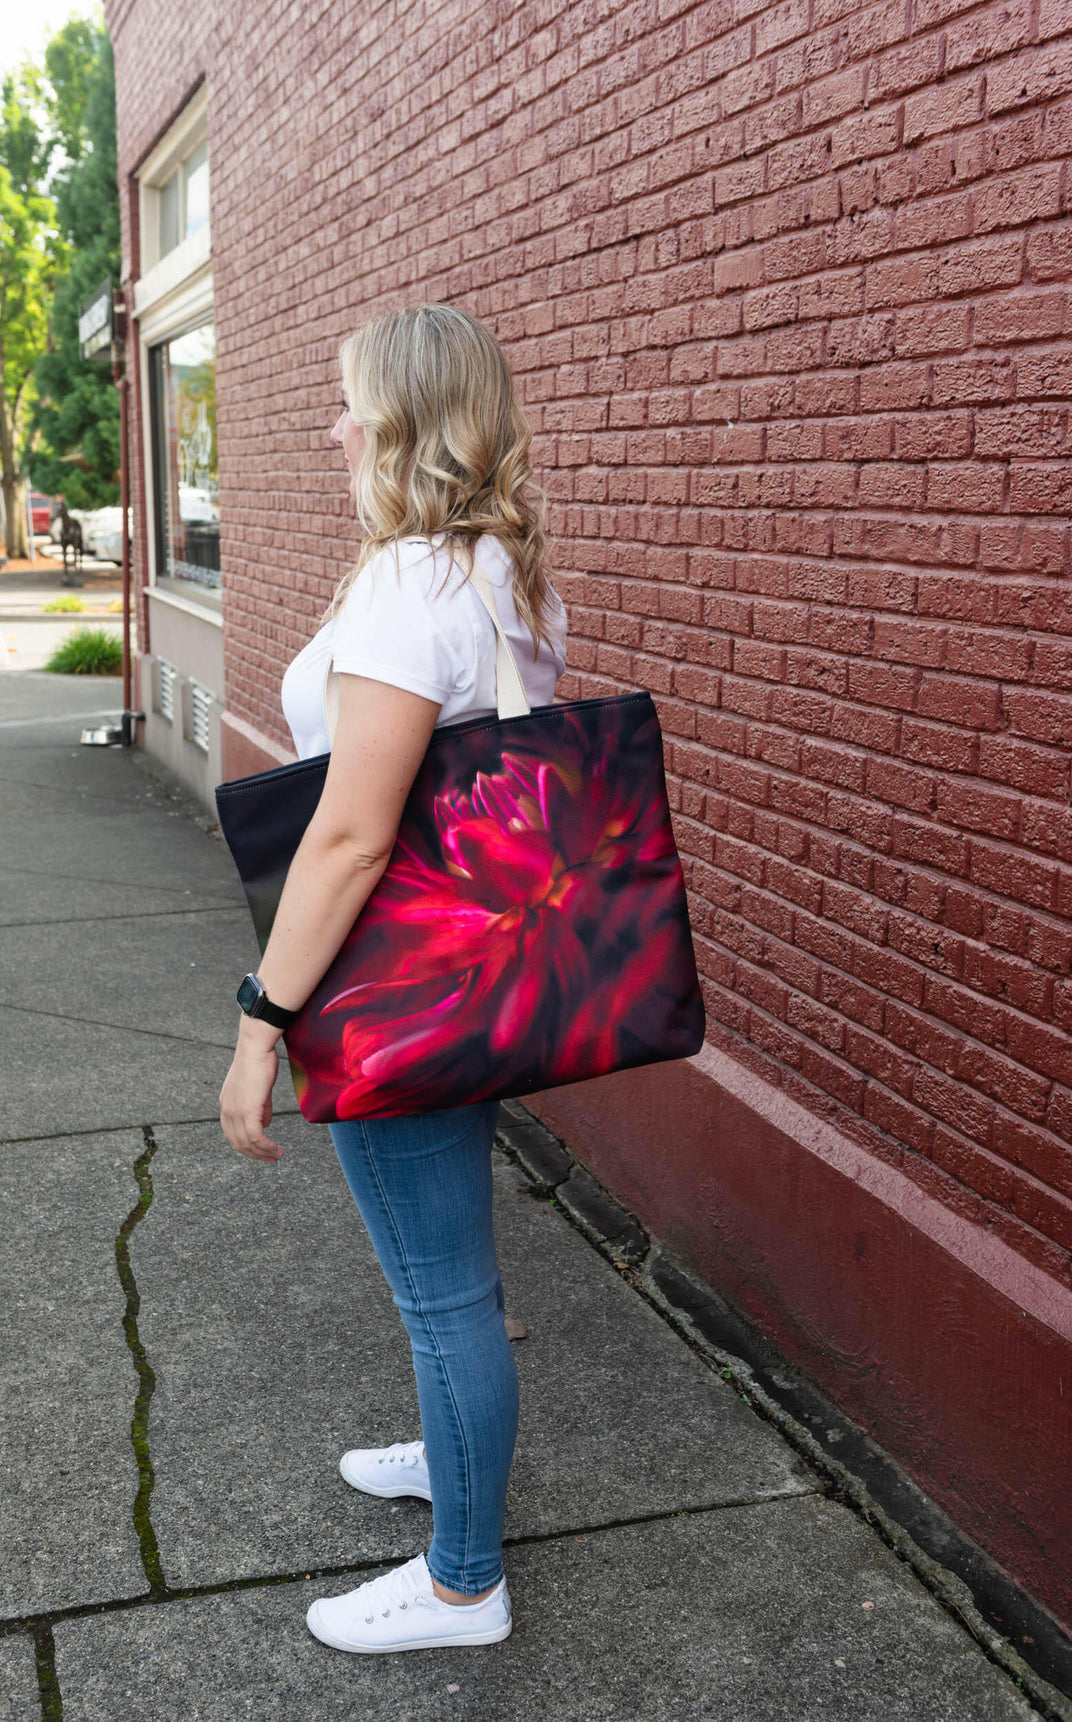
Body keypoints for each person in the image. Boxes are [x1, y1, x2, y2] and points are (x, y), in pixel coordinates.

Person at [217, 302, 568, 1654]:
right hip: (478, 967)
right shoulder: (501, 573)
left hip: (394, 984)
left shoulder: (414, 583)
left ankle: (462, 1581)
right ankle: (454, 1448)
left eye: (354, 404)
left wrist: (264, 1022)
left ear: (408, 421)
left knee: (444, 1290)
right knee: (454, 1270)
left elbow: (356, 831)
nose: (335, 426)